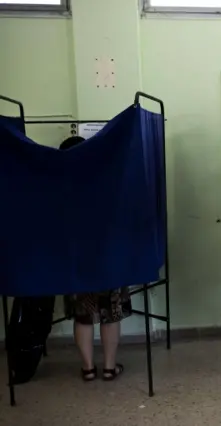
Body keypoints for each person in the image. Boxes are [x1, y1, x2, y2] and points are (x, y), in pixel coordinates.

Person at [59, 135, 129, 382]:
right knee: (110, 313)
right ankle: (109, 368)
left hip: (77, 259)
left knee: (83, 315)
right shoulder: (104, 178)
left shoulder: (60, 185)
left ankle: (88, 369)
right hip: (107, 255)